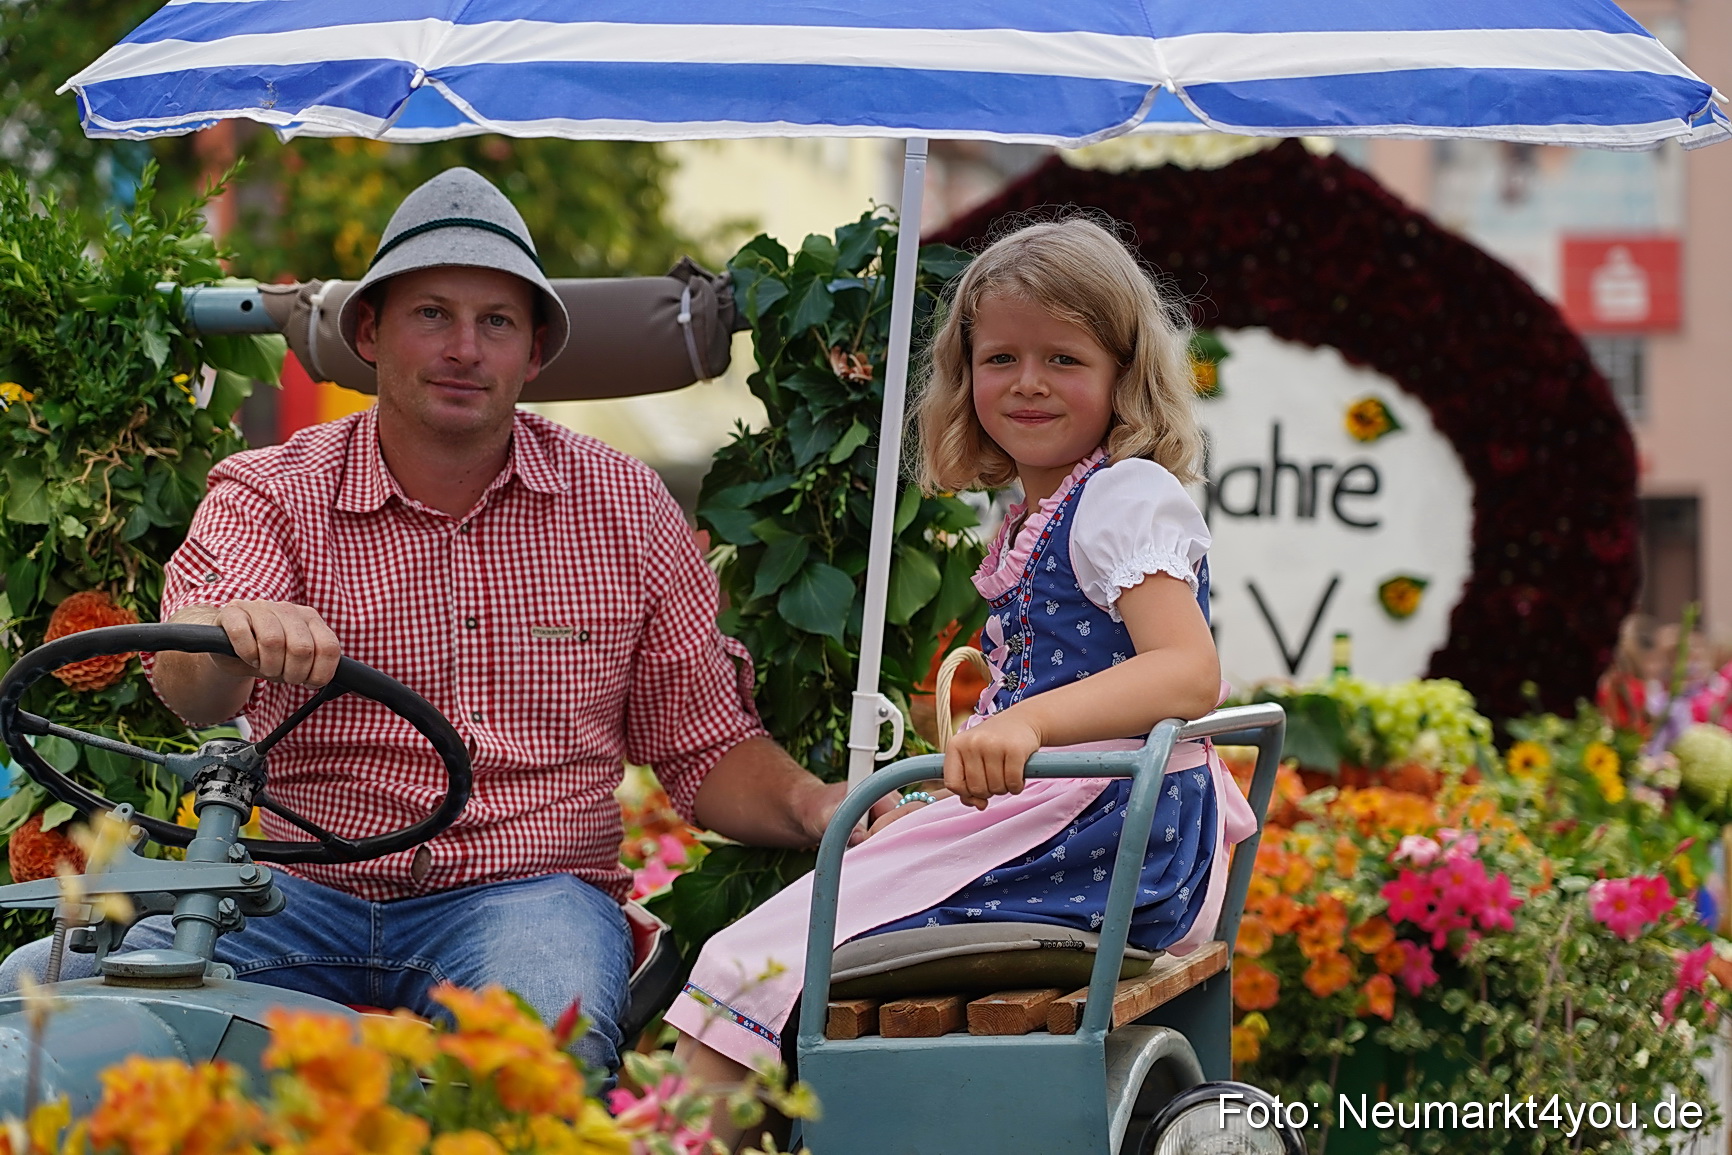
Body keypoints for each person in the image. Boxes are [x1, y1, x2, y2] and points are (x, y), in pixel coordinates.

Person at [0, 168, 866, 1074]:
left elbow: (700, 743)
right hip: (294, 886)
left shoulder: (624, 506)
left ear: (534, 354)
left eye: (497, 322)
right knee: (103, 1028)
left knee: (534, 1065)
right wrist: (232, 630)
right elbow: (187, 686)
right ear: (370, 332)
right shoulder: (273, 490)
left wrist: (817, 804)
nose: (465, 348)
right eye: (432, 315)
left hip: (522, 888)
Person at [666, 218, 1257, 1141]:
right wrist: (953, 793)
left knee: (751, 960)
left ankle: (694, 1131)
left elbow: (1188, 671)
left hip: (1102, 836)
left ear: (1123, 373)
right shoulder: (1043, 507)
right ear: (965, 371)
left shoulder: (1122, 496)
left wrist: (1024, 729)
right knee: (829, 889)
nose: (1027, 383)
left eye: (1064, 358)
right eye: (1000, 357)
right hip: (1081, 819)